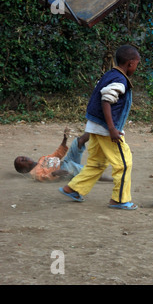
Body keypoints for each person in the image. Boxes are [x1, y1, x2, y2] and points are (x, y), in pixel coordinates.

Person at [59, 45, 141, 210]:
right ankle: (119, 200)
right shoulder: (120, 79)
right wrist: (111, 128)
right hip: (106, 130)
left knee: (96, 163)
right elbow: (105, 100)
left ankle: (74, 188)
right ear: (131, 63)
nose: (136, 67)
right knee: (124, 164)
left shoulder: (109, 75)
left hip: (95, 127)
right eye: (137, 64)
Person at [14, 127, 112, 181]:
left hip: (66, 162)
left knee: (77, 142)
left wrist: (65, 139)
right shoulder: (34, 173)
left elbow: (58, 154)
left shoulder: (42, 159)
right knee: (86, 171)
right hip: (64, 170)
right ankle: (114, 179)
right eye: (21, 161)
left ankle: (99, 131)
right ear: (24, 170)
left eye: (22, 157)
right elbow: (43, 178)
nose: (24, 158)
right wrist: (54, 173)